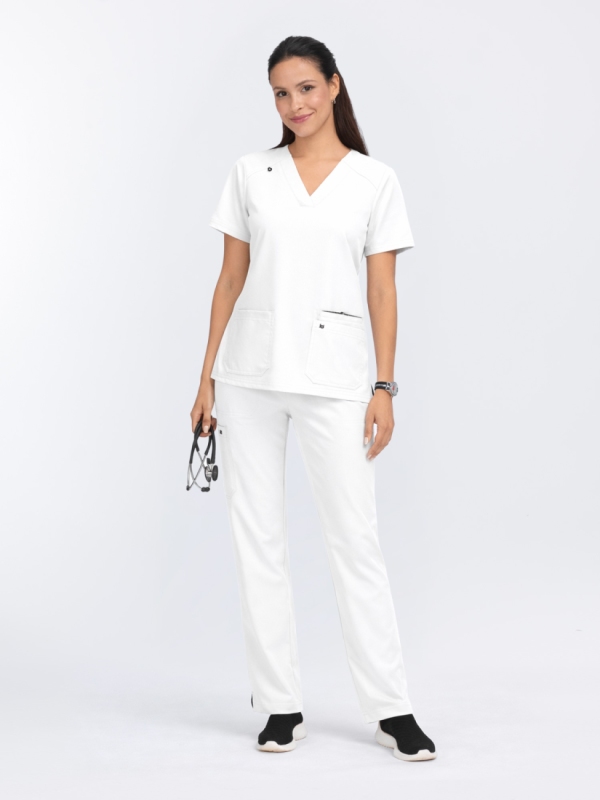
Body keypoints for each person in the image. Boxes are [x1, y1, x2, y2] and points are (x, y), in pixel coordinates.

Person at [190, 35, 436, 761]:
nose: (293, 104)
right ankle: (279, 704)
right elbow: (229, 279)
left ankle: (391, 708)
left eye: (305, 87)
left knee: (355, 540)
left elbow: (383, 289)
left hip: (335, 380)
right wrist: (204, 378)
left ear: (333, 85)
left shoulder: (373, 180)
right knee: (257, 540)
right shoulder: (251, 173)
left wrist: (384, 385)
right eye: (280, 92)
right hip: (248, 376)